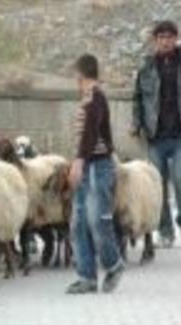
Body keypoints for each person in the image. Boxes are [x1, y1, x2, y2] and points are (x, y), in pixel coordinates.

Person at [131, 20, 181, 248]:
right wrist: (136, 124)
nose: (165, 41)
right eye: (161, 37)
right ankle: (165, 231)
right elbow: (138, 99)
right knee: (158, 187)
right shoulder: (146, 69)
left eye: (169, 37)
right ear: (155, 40)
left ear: (176, 39)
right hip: (156, 136)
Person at [66, 54, 124, 294]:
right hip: (86, 167)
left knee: (97, 220)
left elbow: (91, 132)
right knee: (78, 222)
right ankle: (86, 276)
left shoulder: (95, 97)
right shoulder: (88, 97)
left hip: (98, 166)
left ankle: (114, 264)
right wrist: (78, 161)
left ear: (79, 74)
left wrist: (79, 161)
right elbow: (85, 135)